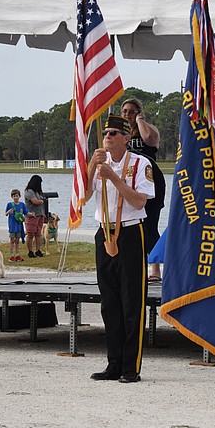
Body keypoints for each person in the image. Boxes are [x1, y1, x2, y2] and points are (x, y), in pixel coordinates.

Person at [87, 115, 154, 383]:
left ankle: (130, 366)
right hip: (104, 230)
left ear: (127, 138)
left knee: (131, 301)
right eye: (106, 132)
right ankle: (113, 362)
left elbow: (139, 202)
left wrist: (114, 178)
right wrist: (92, 164)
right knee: (109, 302)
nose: (108, 136)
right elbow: (82, 197)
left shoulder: (140, 163)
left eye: (115, 133)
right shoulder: (98, 163)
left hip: (129, 231)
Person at [121, 98, 165, 283]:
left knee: (150, 225)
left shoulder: (148, 128)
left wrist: (140, 120)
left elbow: (149, 140)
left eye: (132, 111)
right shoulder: (120, 133)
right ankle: (134, 266)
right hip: (128, 182)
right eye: (124, 111)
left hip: (150, 179)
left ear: (139, 112)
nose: (127, 115)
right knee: (129, 225)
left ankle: (155, 268)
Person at [24, 175, 46, 258]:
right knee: (30, 234)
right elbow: (35, 201)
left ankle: (38, 250)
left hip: (40, 214)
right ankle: (30, 251)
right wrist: (42, 201)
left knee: (38, 233)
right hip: (32, 215)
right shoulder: (29, 191)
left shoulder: (37, 192)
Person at [5, 189, 28, 262]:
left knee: (17, 240)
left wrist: (31, 214)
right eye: (14, 196)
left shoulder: (22, 205)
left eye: (17, 196)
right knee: (12, 240)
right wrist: (9, 212)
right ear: (12, 197)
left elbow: (26, 213)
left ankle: (17, 254)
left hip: (19, 226)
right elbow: (6, 214)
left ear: (19, 196)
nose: (15, 197)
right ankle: (11, 255)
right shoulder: (9, 204)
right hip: (12, 225)